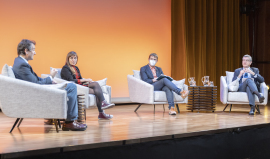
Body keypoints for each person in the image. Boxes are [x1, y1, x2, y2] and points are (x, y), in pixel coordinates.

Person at [12, 39, 87, 131]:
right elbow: (35, 84)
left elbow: (36, 80)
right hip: (39, 93)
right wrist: (50, 78)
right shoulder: (22, 65)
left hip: (39, 90)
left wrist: (50, 79)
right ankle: (69, 122)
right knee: (71, 87)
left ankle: (70, 120)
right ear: (26, 51)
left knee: (68, 85)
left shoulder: (19, 62)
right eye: (33, 49)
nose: (35, 53)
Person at [61, 51, 115, 120]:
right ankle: (102, 110)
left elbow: (80, 78)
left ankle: (102, 110)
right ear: (68, 59)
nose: (73, 60)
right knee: (96, 88)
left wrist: (86, 80)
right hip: (75, 87)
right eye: (71, 58)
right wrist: (84, 80)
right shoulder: (65, 68)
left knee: (96, 87)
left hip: (80, 85)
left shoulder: (76, 68)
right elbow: (71, 80)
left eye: (75, 58)